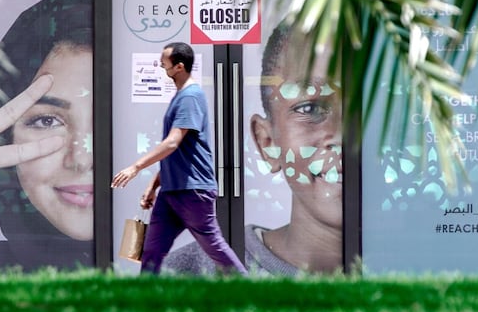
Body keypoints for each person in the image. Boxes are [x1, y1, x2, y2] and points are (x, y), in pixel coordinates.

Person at [164, 23, 343, 275]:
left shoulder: (418, 267)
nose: (343, 135)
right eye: (310, 108)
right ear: (266, 142)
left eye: (375, 106)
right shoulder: (184, 276)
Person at [0, 0, 95, 271]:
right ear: (6, 137)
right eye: (48, 121)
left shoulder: (193, 270)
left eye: (107, 122)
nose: (82, 159)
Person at [111, 42, 248, 276]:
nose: (160, 65)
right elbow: (177, 152)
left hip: (192, 190)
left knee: (214, 247)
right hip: (171, 191)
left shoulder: (190, 97)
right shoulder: (181, 96)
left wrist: (135, 167)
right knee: (152, 251)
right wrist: (153, 186)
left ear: (179, 67)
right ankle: (142, 302)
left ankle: (252, 293)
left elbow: (173, 142)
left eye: (164, 62)